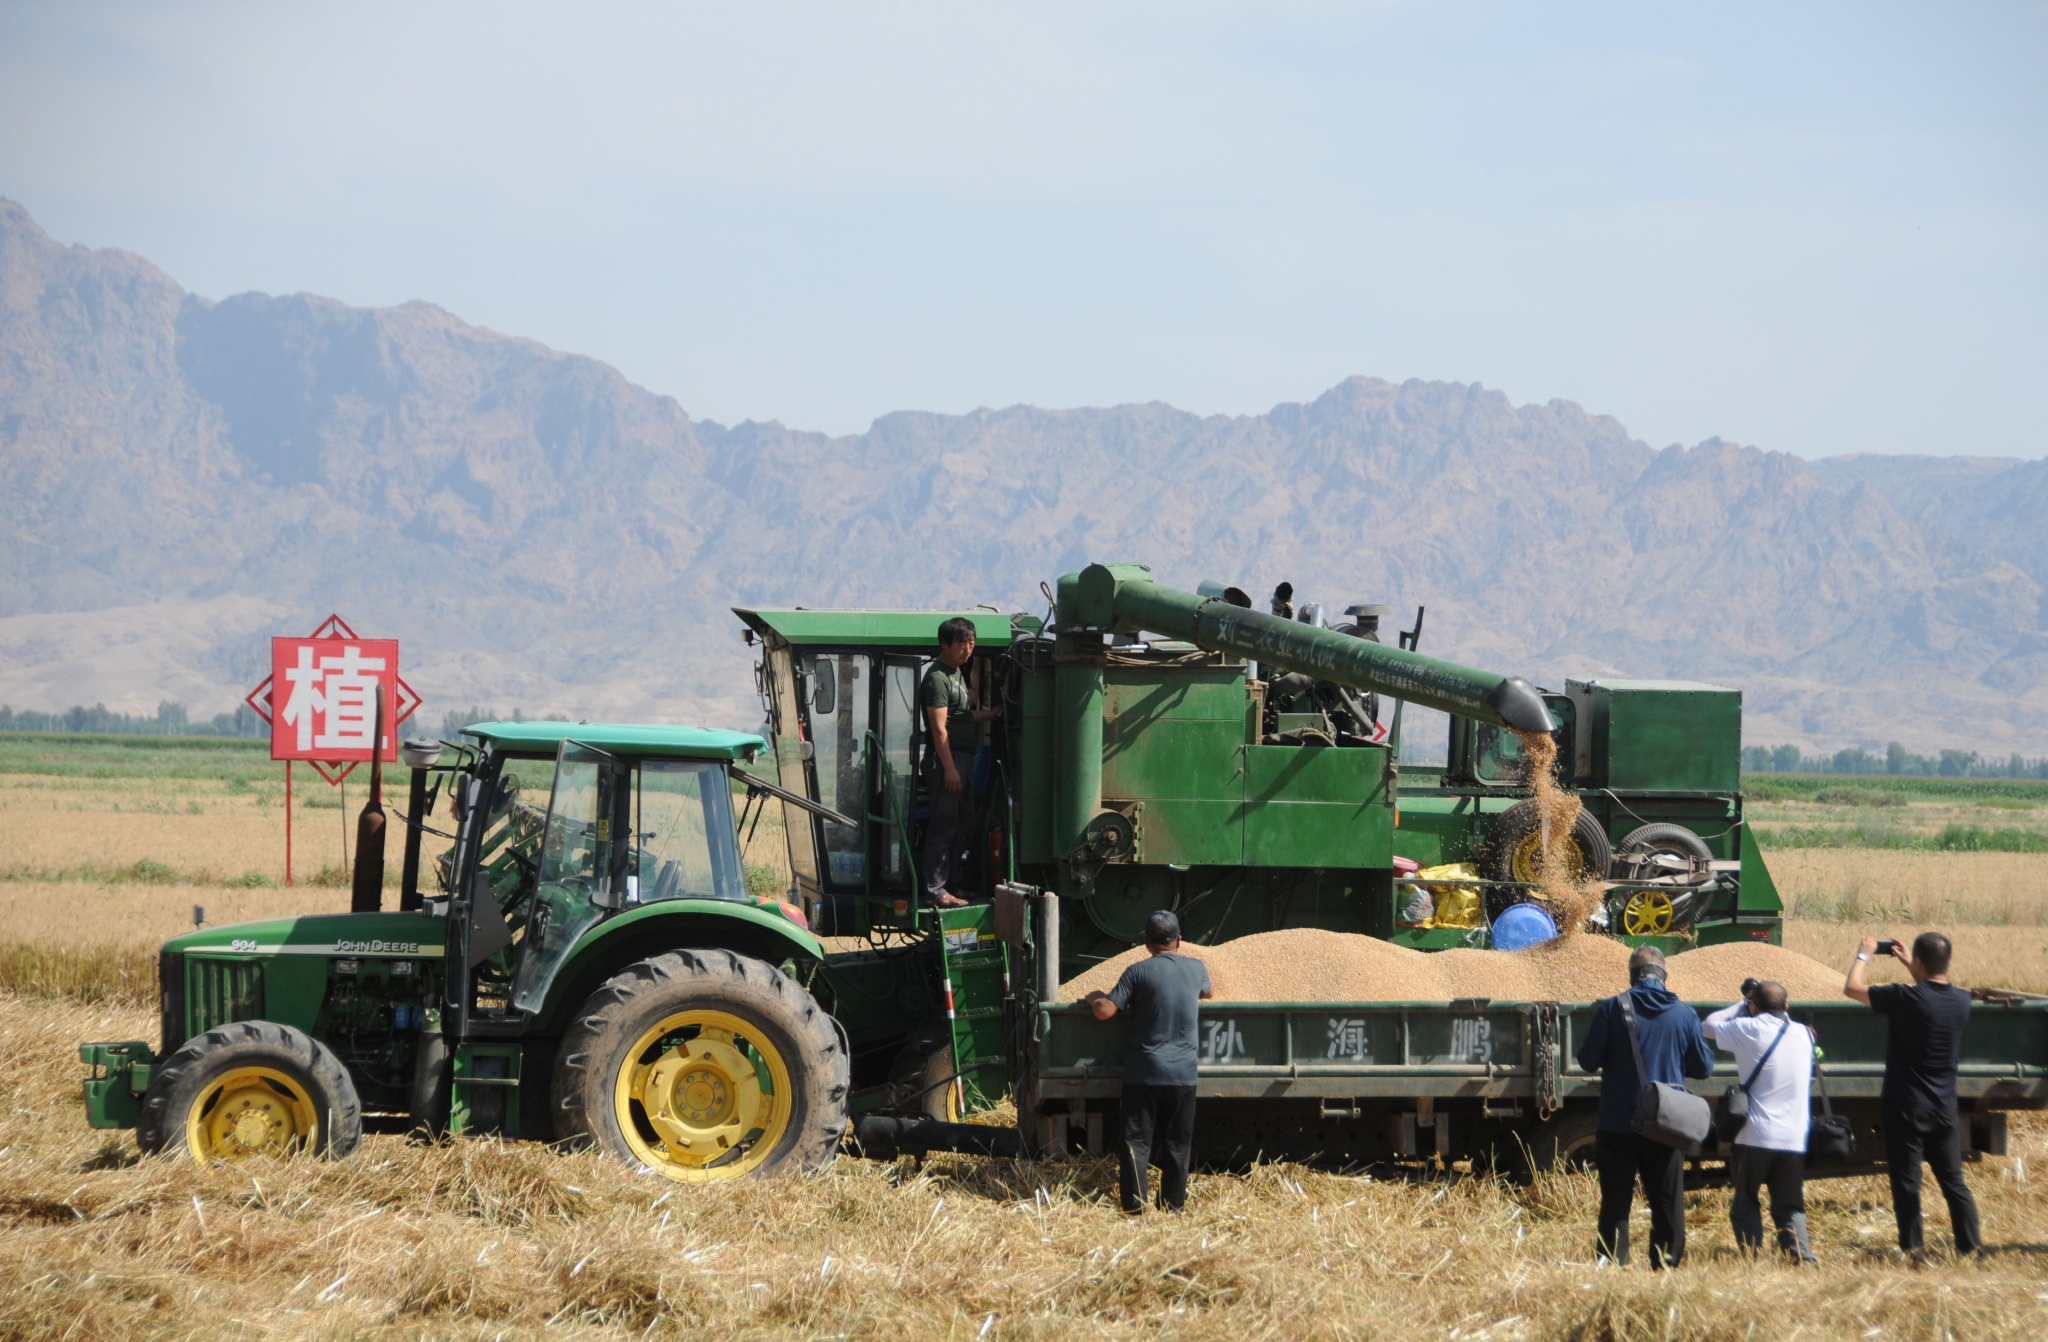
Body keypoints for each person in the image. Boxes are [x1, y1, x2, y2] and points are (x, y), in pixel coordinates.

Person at [1575, 944, 1715, 1268]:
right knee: (1668, 1200)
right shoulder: (1685, 1014)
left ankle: (1612, 1263)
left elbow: (1587, 1061)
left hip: (1617, 1122)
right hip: (1665, 1123)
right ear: (1663, 975)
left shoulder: (1612, 1008)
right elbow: (1704, 1068)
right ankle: (1665, 1264)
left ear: (1632, 974)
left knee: (1616, 1200)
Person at [1845, 931, 1982, 1260]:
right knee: (1954, 1183)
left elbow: (1851, 988)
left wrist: (1864, 954)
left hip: (1906, 1105)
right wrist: (1915, 967)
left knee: (1908, 1183)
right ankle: (1971, 1247)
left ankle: (1914, 1249)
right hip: (1945, 1107)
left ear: (1919, 961)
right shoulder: (1962, 1001)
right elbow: (1932, 993)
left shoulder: (1903, 998)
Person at [1082, 910, 1213, 1214]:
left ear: (1145, 942)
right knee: (1177, 1144)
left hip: (1145, 1073)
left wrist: (1093, 996)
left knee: (1137, 1144)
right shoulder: (1196, 968)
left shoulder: (1137, 971)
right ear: (1179, 940)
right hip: (1183, 1074)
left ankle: (1136, 1208)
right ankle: (1173, 1207)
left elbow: (1105, 1011)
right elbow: (1208, 992)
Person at [1703, 979, 1818, 1263]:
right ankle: (1800, 1257)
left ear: (1754, 1007)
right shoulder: (1805, 1034)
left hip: (1755, 1135)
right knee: (1790, 1205)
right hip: (1793, 1136)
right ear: (1787, 1007)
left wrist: (1742, 1004)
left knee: (1745, 1201)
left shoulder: (1749, 1028)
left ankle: (1752, 1258)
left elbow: (1708, 1025)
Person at [918, 617, 1000, 909]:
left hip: (965, 757)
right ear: (944, 644)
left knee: (965, 822)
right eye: (962, 643)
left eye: (972, 642)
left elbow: (962, 718)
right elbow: (940, 728)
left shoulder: (957, 675)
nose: (968, 649)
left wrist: (991, 715)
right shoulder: (937, 678)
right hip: (947, 759)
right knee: (944, 824)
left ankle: (950, 884)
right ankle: (935, 888)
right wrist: (950, 768)